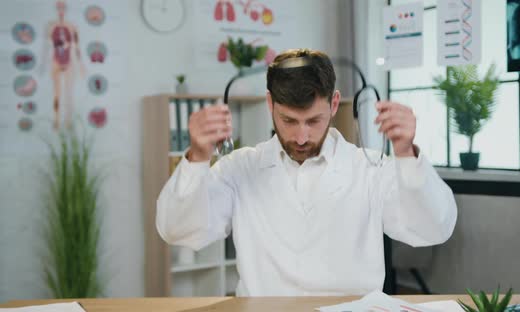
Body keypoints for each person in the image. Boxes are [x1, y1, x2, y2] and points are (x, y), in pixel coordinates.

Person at [156, 49, 457, 296]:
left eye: (313, 121)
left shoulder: (370, 168)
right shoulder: (239, 168)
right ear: (270, 103)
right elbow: (177, 230)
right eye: (288, 120)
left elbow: (433, 228)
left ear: (334, 103)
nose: (301, 137)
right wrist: (197, 158)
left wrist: (406, 154)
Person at [41, 1, 85, 129]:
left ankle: (69, 122)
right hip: (55, 61)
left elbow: (77, 47)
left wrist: (81, 65)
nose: (61, 10)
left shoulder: (72, 26)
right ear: (55, 9)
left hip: (69, 61)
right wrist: (43, 64)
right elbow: (46, 46)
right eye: (58, 7)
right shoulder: (50, 26)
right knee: (57, 93)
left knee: (69, 94)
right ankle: (56, 120)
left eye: (63, 7)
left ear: (66, 9)